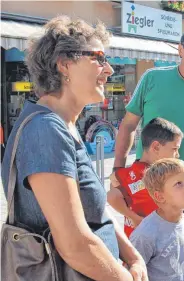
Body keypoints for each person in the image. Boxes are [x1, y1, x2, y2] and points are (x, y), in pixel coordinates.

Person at [0, 16, 147, 280]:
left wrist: (133, 256)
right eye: (99, 58)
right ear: (64, 64)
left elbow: (96, 211)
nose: (109, 70)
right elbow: (74, 246)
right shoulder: (45, 130)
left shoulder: (63, 125)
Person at [113, 25, 184, 277]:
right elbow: (128, 125)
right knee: (143, 248)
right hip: (149, 178)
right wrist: (117, 168)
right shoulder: (152, 79)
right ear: (180, 48)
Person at [108, 117, 183, 237]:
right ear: (156, 147)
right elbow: (112, 196)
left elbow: (112, 195)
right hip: (150, 241)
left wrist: (132, 217)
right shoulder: (161, 176)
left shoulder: (126, 174)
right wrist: (134, 218)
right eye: (175, 149)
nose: (177, 155)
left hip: (141, 240)